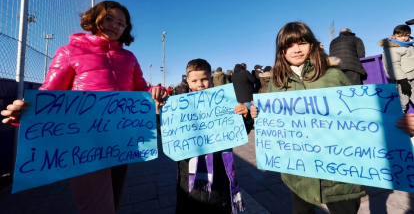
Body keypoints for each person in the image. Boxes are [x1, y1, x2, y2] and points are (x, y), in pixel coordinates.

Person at [1, 1, 166, 214]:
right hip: (83, 146)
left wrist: (157, 92)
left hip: (120, 141)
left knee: (113, 204)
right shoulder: (69, 52)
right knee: (98, 208)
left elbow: (142, 91)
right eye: (109, 19)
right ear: (94, 18)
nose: (115, 26)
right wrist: (24, 112)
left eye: (121, 23)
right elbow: (48, 94)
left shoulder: (129, 58)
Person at [267, 22, 365, 214]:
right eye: (289, 45)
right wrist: (257, 114)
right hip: (299, 170)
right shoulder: (277, 81)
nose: (296, 49)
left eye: (301, 43)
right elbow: (273, 120)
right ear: (281, 51)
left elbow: (362, 113)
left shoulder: (333, 75)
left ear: (312, 44)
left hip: (338, 170)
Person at [156, 59, 256, 214]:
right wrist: (159, 114)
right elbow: (166, 133)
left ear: (211, 80)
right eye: (194, 80)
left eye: (204, 79)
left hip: (219, 182)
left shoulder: (224, 103)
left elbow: (238, 131)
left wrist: (246, 116)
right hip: (188, 184)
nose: (200, 84)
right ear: (188, 82)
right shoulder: (178, 107)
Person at [378, 25, 414, 112]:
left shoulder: (409, 46)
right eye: (400, 36)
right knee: (402, 102)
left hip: (412, 78)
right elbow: (393, 65)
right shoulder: (393, 48)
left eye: (406, 35)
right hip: (403, 79)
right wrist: (402, 80)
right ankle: (396, 122)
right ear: (393, 36)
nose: (403, 38)